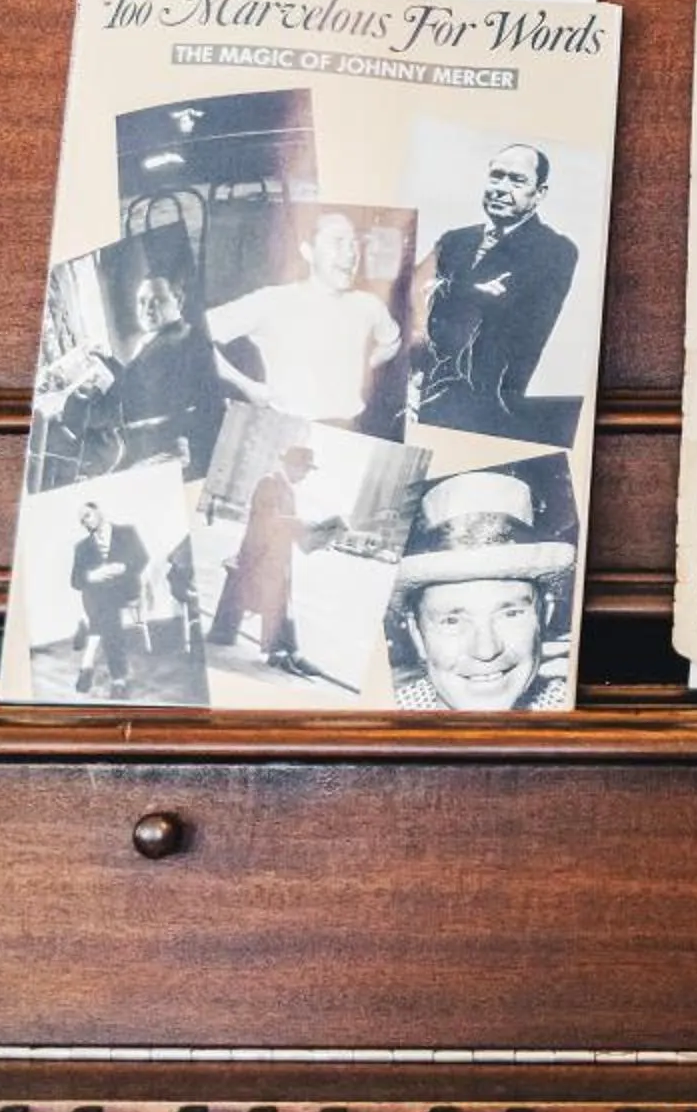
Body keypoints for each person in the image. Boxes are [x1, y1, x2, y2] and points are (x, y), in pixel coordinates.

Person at [411, 144, 578, 441]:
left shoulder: (555, 250)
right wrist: (469, 292)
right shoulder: (454, 240)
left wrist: (445, 290)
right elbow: (414, 291)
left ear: (539, 193)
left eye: (517, 180)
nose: (501, 188)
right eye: (496, 176)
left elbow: (507, 308)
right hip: (423, 390)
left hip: (485, 408)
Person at [388, 468, 575, 714]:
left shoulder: (574, 715)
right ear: (416, 634)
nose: (486, 650)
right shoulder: (380, 720)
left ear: (544, 616)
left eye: (511, 614)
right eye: (452, 620)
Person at [205, 211, 401, 431]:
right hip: (287, 428)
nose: (350, 254)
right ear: (308, 252)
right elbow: (197, 333)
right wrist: (248, 387)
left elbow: (392, 341)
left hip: (352, 427)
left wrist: (368, 362)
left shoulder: (369, 305)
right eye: (338, 242)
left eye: (354, 244)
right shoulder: (272, 301)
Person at [207, 441, 325, 678]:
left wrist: (317, 535)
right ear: (290, 465)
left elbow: (282, 524)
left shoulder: (286, 488)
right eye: (304, 469)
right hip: (260, 556)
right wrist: (300, 524)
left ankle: (285, 653)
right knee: (277, 602)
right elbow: (266, 521)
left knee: (281, 603)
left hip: (276, 556)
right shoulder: (269, 483)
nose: (305, 475)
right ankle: (285, 654)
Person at [109, 274, 221, 474]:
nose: (147, 309)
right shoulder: (158, 339)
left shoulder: (177, 341)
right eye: (142, 302)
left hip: (168, 447)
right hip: (150, 441)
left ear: (178, 300)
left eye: (157, 301)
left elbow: (150, 402)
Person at [68, 500, 149, 697]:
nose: (85, 522)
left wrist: (123, 567)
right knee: (106, 610)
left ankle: (86, 664)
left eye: (87, 515)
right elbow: (75, 581)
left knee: (101, 608)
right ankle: (118, 678)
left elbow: (141, 558)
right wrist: (91, 576)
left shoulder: (127, 532)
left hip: (125, 588)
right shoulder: (82, 547)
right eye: (82, 520)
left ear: (98, 511)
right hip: (100, 597)